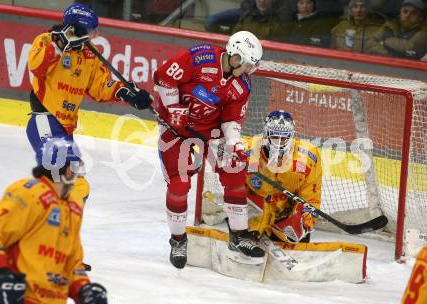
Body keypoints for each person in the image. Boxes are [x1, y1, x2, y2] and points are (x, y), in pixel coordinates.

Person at [154, 31, 265, 269]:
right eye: (245, 63)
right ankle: (178, 240)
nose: (246, 69)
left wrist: (234, 144)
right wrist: (173, 109)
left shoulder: (242, 85)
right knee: (179, 184)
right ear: (234, 54)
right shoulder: (200, 57)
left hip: (211, 132)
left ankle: (238, 236)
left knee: (235, 172)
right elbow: (163, 76)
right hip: (176, 130)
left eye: (250, 66)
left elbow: (232, 120)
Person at [26, 3, 152, 202]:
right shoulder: (46, 40)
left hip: (65, 129)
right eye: (91, 31)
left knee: (75, 185)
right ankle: (44, 226)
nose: (94, 35)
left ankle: (61, 228)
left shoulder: (89, 55)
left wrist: (126, 93)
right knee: (66, 178)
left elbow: (100, 86)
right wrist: (60, 43)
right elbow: (36, 67)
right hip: (45, 121)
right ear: (77, 29)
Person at [0, 139, 107, 304]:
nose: (77, 174)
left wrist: (83, 289)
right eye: (75, 168)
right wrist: (2, 274)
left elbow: (72, 261)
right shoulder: (29, 193)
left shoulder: (74, 204)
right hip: (21, 299)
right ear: (66, 170)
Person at [246, 110, 322, 243]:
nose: (279, 142)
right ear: (266, 134)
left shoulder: (307, 157)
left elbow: (311, 197)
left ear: (291, 136)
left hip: (285, 215)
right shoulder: (248, 150)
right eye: (275, 136)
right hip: (258, 212)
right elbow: (236, 187)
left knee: (295, 233)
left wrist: (306, 220)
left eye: (284, 138)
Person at [272, 0, 338, 48]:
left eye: (308, 2)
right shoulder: (289, 21)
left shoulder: (321, 24)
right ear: (297, 5)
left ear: (313, 4)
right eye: (301, 3)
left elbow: (318, 47)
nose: (305, 6)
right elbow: (277, 41)